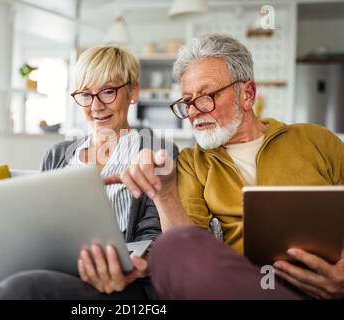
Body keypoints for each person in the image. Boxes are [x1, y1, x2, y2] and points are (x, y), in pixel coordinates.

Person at [105, 34, 344, 299]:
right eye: (186, 101)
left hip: (322, 288)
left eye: (206, 96)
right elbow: (187, 257)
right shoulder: (191, 163)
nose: (193, 111)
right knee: (172, 246)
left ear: (247, 94)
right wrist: (164, 194)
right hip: (237, 289)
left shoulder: (316, 140)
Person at [0, 45, 177, 300]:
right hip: (61, 267)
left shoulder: (156, 152)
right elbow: (38, 221)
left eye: (108, 92)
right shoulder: (57, 154)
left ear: (133, 91)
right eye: (85, 95)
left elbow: (155, 236)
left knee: (24, 289)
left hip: (121, 281)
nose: (96, 106)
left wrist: (133, 264)